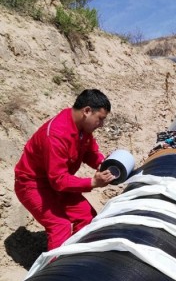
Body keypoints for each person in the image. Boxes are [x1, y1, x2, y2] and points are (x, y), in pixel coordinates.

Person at [14, 89, 116, 251]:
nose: (101, 124)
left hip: (56, 180)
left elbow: (90, 153)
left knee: (86, 216)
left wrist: (104, 164)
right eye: (100, 119)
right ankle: (55, 271)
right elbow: (59, 181)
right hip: (33, 185)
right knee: (60, 226)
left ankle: (77, 257)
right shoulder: (56, 135)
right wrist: (93, 182)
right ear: (87, 111)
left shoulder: (82, 128)